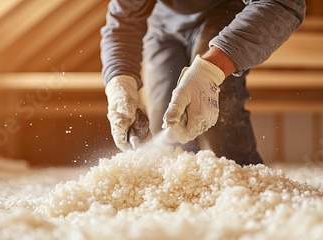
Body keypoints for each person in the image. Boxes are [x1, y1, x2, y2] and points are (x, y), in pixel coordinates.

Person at [100, 0, 305, 165]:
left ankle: (244, 186)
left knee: (214, 118)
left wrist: (211, 71)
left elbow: (284, 3)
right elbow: (122, 23)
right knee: (165, 133)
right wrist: (120, 83)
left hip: (227, 11)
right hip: (163, 27)